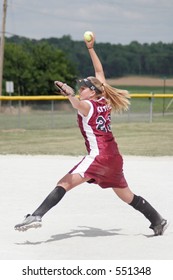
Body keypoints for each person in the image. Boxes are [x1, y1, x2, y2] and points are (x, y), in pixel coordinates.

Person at [15, 32, 168, 236]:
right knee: (127, 196)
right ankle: (157, 220)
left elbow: (78, 103)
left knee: (64, 183)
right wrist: (90, 48)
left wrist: (70, 95)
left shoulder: (87, 104)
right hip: (114, 157)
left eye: (83, 87)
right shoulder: (103, 99)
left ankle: (36, 216)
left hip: (98, 156)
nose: (80, 88)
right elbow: (99, 72)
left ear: (92, 92)